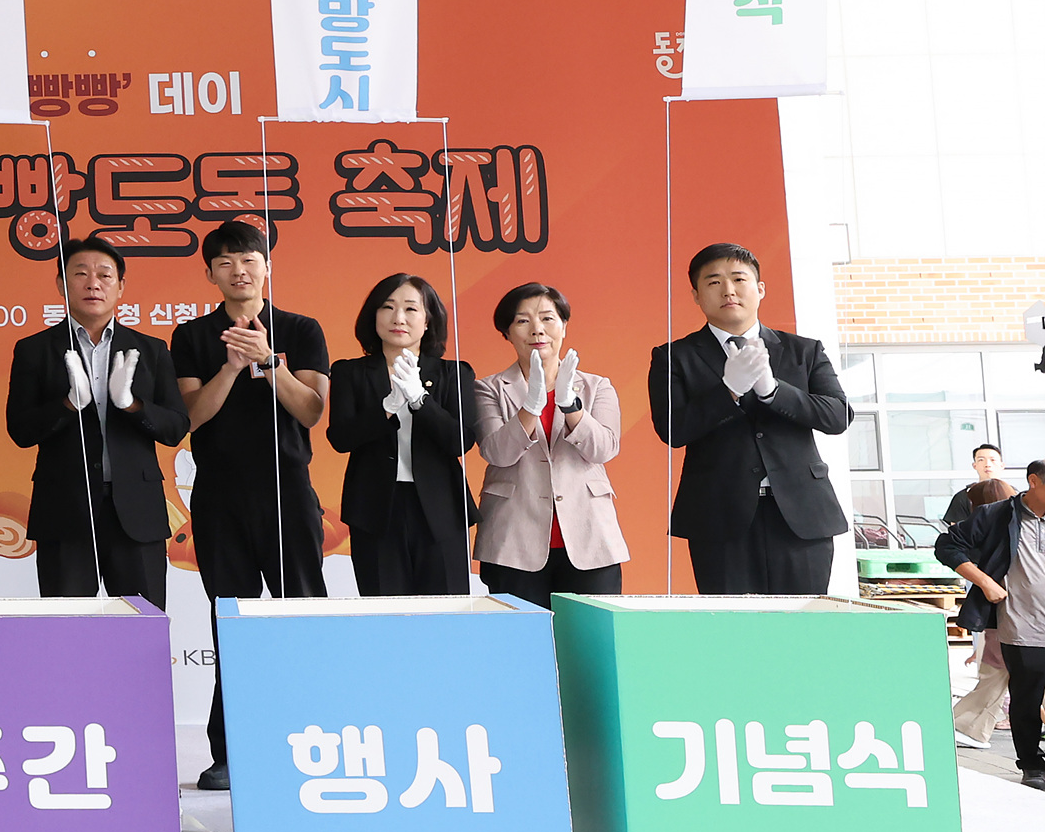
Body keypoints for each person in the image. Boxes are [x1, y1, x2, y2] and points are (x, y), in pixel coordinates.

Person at [170, 219, 330, 792]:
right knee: (231, 624)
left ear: (267, 267)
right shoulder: (192, 336)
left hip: (288, 492)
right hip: (220, 496)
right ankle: (230, 753)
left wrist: (268, 362)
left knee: (301, 617)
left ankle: (314, 740)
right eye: (226, 262)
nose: (239, 270)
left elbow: (311, 411)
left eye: (249, 260)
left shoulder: (301, 329)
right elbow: (190, 419)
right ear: (210, 273)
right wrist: (232, 367)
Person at [648, 242, 853, 595]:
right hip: (719, 516)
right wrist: (728, 391)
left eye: (738, 279)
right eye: (714, 282)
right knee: (732, 623)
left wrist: (774, 391)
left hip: (802, 515)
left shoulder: (804, 350)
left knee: (802, 620)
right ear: (696, 296)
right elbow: (672, 429)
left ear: (760, 289)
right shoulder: (674, 356)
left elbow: (837, 415)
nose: (728, 290)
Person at [6, 236, 189, 608]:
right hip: (64, 510)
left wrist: (132, 405)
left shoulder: (151, 349)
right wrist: (68, 404)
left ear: (120, 287)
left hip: (136, 512)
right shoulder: (34, 349)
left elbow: (175, 428)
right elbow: (21, 430)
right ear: (62, 284)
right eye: (81, 274)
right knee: (67, 629)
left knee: (142, 624)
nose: (93, 283)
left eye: (105, 275)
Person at [471, 283, 626, 607]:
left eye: (547, 318)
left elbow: (604, 449)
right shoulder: (488, 388)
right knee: (521, 634)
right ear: (507, 333)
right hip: (512, 540)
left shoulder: (597, 386)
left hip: (590, 537)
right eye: (522, 320)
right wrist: (530, 406)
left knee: (587, 634)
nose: (537, 329)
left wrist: (570, 405)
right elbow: (497, 453)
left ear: (564, 326)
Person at [328, 273, 482, 597]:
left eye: (411, 309)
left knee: (446, 611)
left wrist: (420, 400)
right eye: (388, 307)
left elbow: (460, 441)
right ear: (373, 316)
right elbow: (340, 439)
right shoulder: (349, 372)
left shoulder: (454, 373)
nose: (398, 318)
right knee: (385, 610)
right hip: (375, 509)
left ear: (428, 321)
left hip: (440, 509)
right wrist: (386, 408)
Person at [935, 460, 1045, 791]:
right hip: (1022, 626)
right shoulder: (997, 515)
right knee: (1026, 699)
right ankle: (1032, 765)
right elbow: (947, 545)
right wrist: (985, 582)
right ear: (1034, 481)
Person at [949, 476, 1018, 749]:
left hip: (1004, 614)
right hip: (1016, 613)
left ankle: (968, 726)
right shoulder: (1019, 523)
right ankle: (968, 726)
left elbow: (949, 545)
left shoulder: (989, 527)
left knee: (996, 672)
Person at [944, 445, 1010, 531]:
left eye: (993, 460)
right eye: (981, 460)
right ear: (974, 465)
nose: (987, 464)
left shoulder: (1014, 494)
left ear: (1002, 465)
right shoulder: (963, 496)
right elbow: (957, 532)